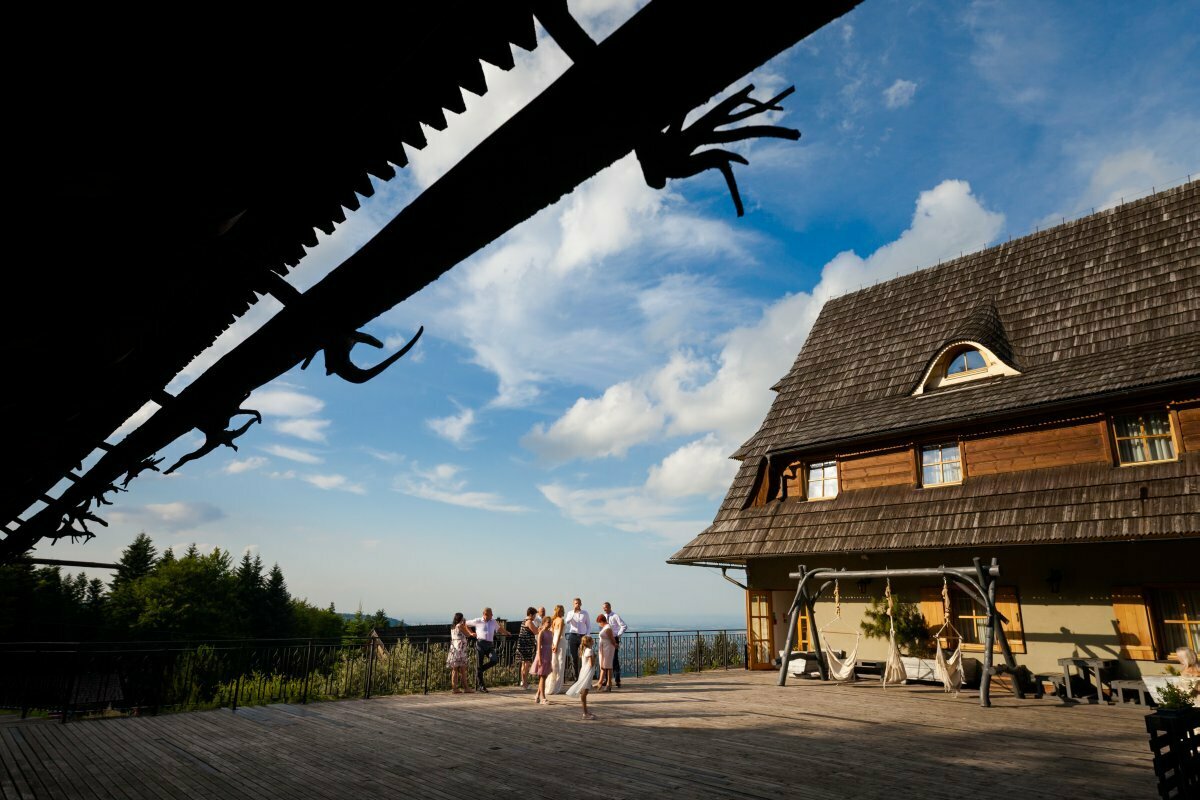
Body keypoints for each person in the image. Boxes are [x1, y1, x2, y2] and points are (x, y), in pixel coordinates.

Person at [464, 607, 508, 692]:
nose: (492, 615)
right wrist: (470, 633)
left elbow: (499, 628)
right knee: (479, 663)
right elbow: (466, 624)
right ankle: (481, 686)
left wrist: (506, 633)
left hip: (489, 645)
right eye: (491, 614)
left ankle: (480, 669)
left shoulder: (493, 621)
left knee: (494, 660)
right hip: (480, 644)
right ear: (485, 614)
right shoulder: (478, 621)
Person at [565, 634, 596, 720]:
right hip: (588, 672)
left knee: (585, 691)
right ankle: (585, 712)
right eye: (591, 640)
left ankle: (585, 711)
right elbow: (591, 663)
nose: (593, 641)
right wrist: (594, 658)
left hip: (584, 671)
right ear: (589, 642)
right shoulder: (589, 651)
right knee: (585, 692)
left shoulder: (584, 650)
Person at [446, 612, 475, 694]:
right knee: (463, 669)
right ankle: (466, 688)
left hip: (454, 649)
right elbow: (468, 634)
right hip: (460, 649)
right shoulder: (460, 626)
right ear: (460, 618)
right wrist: (466, 625)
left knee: (454, 669)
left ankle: (454, 688)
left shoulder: (453, 627)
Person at [564, 597, 591, 681]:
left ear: (581, 604)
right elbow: (567, 621)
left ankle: (585, 676)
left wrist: (587, 635)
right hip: (573, 635)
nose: (577, 604)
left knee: (584, 656)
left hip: (583, 636)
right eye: (576, 603)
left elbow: (588, 625)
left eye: (578, 603)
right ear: (573, 604)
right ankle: (576, 676)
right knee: (574, 657)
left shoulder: (585, 613)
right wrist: (573, 613)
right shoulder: (570, 613)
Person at [602, 601, 627, 688]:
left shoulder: (615, 616)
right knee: (606, 660)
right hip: (606, 640)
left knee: (614, 660)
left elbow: (624, 626)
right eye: (603, 607)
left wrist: (618, 635)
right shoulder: (604, 617)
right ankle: (606, 680)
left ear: (609, 607)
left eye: (605, 607)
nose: (604, 609)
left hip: (614, 638)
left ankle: (617, 680)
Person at [531, 616, 554, 705]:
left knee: (544, 676)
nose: (549, 624)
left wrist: (551, 659)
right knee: (542, 677)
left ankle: (537, 695)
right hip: (543, 655)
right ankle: (542, 697)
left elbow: (551, 645)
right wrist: (540, 659)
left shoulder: (551, 633)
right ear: (544, 623)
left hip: (548, 655)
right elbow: (539, 646)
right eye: (548, 622)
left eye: (550, 622)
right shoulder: (542, 633)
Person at [545, 604, 567, 695]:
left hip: (554, 641)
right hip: (560, 642)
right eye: (562, 610)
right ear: (560, 611)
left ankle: (551, 686)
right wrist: (556, 644)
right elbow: (560, 634)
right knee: (560, 664)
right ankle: (557, 687)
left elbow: (552, 633)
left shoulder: (553, 620)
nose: (564, 612)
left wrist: (553, 644)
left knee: (554, 664)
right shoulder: (561, 620)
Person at [516, 607, 538, 689]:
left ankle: (523, 681)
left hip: (522, 645)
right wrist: (541, 628)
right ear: (531, 615)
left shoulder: (523, 621)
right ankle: (525, 683)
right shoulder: (529, 622)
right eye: (535, 615)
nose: (535, 617)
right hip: (526, 646)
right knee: (526, 665)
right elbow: (536, 631)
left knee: (523, 665)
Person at [596, 613, 616, 692]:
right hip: (604, 647)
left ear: (601, 621)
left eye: (599, 622)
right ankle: (601, 682)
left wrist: (615, 645)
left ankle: (609, 684)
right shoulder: (605, 627)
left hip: (608, 648)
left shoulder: (607, 628)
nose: (599, 624)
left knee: (608, 665)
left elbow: (612, 639)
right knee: (604, 665)